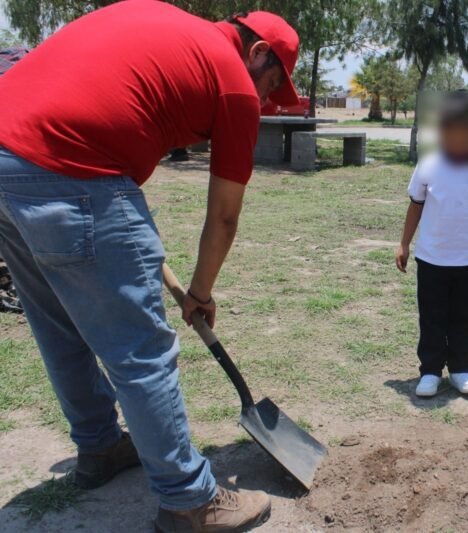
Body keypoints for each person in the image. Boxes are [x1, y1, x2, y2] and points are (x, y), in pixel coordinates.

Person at [0, 2, 300, 530]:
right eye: (272, 84)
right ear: (257, 52)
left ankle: (99, 448)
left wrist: (160, 268)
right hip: (70, 164)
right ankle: (190, 499)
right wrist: (200, 293)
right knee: (141, 348)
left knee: (61, 326)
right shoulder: (232, 82)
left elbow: (117, 153)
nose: (267, 100)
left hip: (7, 162)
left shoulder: (166, 26)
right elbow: (224, 216)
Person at [395, 90, 468, 398]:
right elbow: (415, 205)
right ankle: (429, 370)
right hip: (432, 259)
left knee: (464, 317)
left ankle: (460, 369)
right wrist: (404, 244)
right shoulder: (429, 164)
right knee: (431, 317)